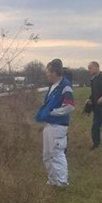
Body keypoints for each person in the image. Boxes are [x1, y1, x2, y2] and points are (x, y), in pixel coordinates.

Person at [35, 59, 74, 187]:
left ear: (55, 73)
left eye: (48, 72)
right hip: (49, 125)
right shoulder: (53, 86)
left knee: (56, 153)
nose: (47, 75)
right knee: (47, 154)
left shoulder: (65, 86)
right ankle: (52, 180)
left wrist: (52, 113)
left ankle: (62, 182)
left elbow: (69, 106)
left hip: (59, 126)